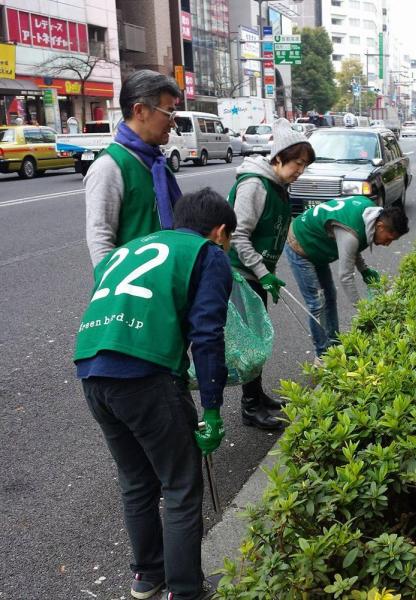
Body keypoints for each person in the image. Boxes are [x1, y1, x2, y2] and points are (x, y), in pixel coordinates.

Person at [74, 188, 235, 600]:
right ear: (219, 232)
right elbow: (207, 335)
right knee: (180, 485)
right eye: (228, 239)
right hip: (145, 374)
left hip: (92, 369)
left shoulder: (130, 248)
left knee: (136, 481)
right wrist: (213, 409)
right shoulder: (207, 253)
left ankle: (148, 576)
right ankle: (186, 591)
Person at [227, 118, 316, 430]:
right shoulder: (255, 184)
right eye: (297, 163)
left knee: (259, 337)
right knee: (251, 342)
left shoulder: (279, 186)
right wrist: (263, 273)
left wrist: (268, 273)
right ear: (278, 158)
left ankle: (257, 396)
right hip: (239, 273)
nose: (300, 170)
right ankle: (250, 408)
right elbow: (238, 236)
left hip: (256, 273)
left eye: (305, 165)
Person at [284, 197, 409, 360]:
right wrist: (363, 310)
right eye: (389, 238)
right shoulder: (351, 235)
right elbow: (345, 275)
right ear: (380, 226)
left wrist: (364, 270)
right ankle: (322, 356)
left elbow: (351, 245)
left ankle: (334, 345)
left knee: (330, 297)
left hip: (318, 245)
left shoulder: (369, 212)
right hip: (300, 244)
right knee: (316, 303)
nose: (388, 244)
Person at [84, 69, 182, 267]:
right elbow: (100, 241)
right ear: (140, 111)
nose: (173, 123)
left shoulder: (157, 162)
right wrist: (114, 288)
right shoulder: (109, 167)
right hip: (136, 288)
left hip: (165, 278)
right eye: (169, 113)